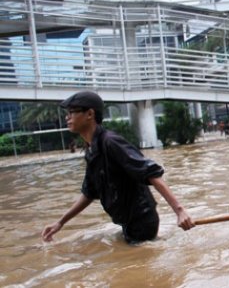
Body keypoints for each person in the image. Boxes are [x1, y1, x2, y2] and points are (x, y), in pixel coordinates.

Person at [41, 91, 195, 244]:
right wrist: (60, 222)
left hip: (141, 221)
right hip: (126, 222)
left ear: (89, 114)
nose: (67, 117)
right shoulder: (92, 149)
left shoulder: (111, 142)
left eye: (72, 112)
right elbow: (89, 192)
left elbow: (151, 173)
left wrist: (180, 211)